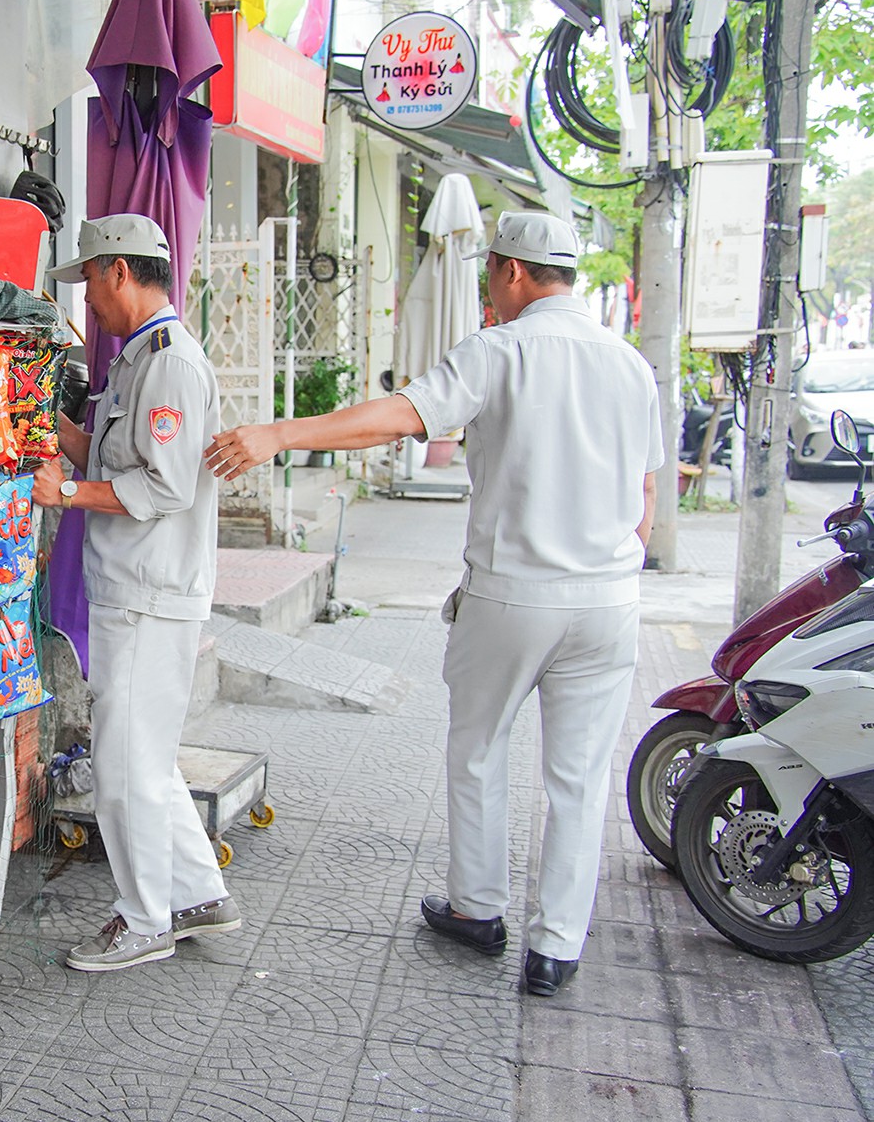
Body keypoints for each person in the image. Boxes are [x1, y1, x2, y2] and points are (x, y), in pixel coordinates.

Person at [205, 211, 662, 997]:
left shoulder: (501, 350)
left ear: (513, 272)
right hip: (612, 598)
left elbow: (400, 416)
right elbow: (647, 491)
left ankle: (479, 909)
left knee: (479, 751)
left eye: (491, 271)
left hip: (516, 592)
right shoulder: (630, 365)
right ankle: (555, 947)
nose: (488, 287)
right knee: (579, 779)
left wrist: (281, 433)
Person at [35, 213, 240, 972]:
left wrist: (70, 492)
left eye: (88, 279)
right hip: (131, 588)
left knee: (123, 768)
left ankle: (144, 917)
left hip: (152, 594)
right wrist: (56, 430)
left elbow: (163, 483)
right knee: (144, 759)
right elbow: (116, 452)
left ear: (119, 272)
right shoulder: (134, 362)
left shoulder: (171, 366)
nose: (86, 297)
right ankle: (195, 893)